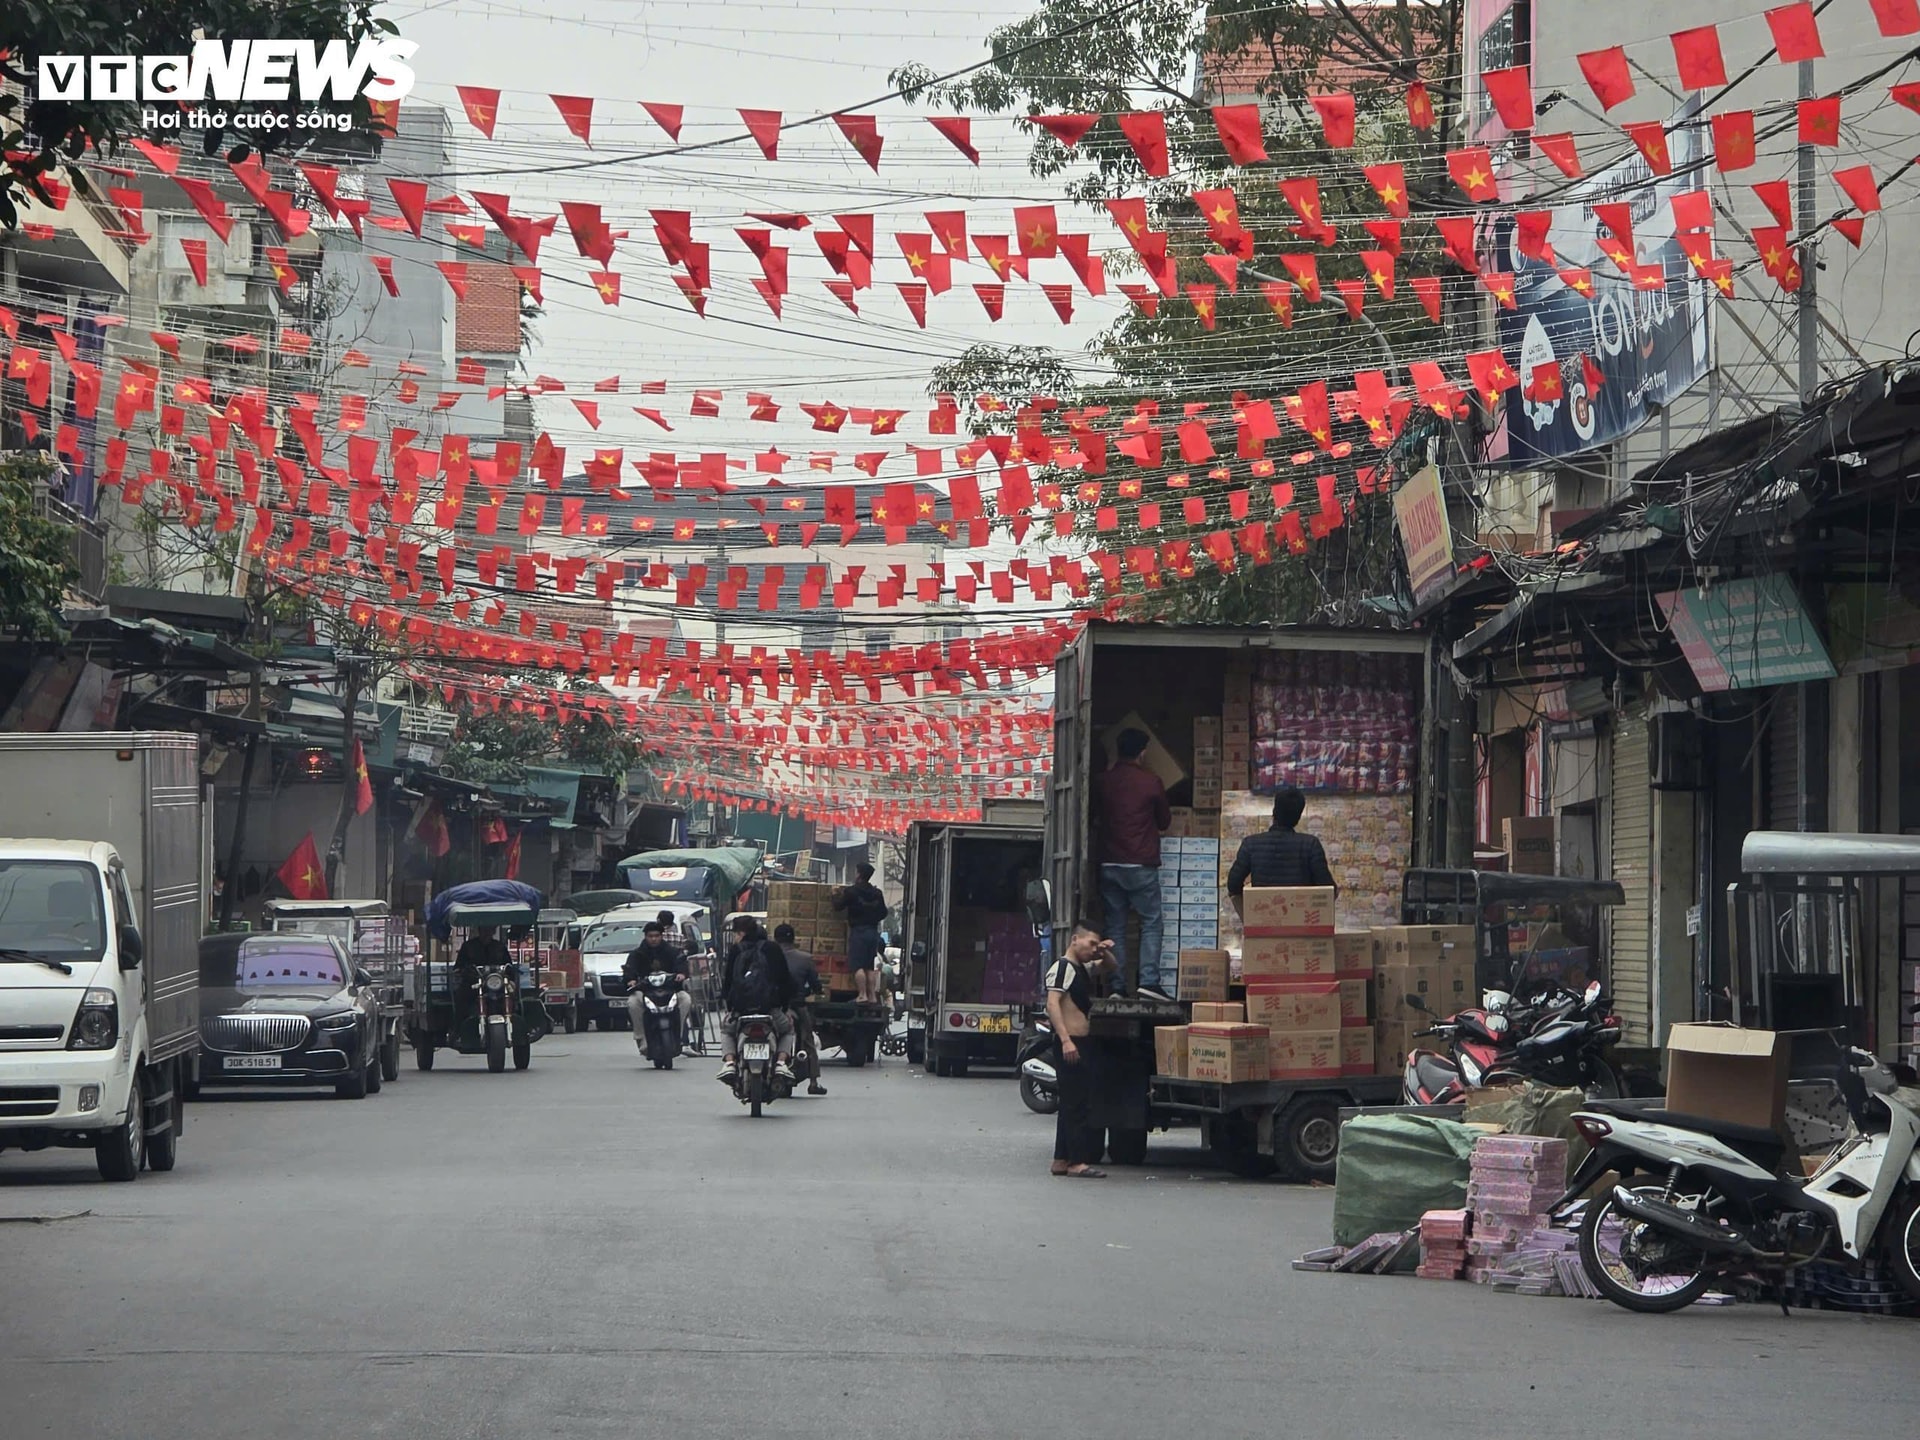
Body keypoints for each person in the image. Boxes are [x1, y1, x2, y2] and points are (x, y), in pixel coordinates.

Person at [1093, 728, 1171, 999]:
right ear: (1143, 753)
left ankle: (1116, 987)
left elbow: (1093, 817)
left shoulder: (1103, 782)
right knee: (1150, 923)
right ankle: (1148, 983)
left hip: (1109, 863)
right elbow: (1164, 822)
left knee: (1116, 925)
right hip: (1140, 864)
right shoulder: (1151, 782)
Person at [1045, 922, 1118, 1178]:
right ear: (1075, 939)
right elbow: (1052, 1004)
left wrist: (1104, 951)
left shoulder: (1081, 969)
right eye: (1090, 944)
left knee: (1071, 1103)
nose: (1092, 949)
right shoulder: (1062, 968)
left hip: (1080, 1043)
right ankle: (1077, 1162)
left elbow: (1111, 967)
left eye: (1095, 945)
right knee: (1077, 1105)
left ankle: (1061, 1159)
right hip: (1071, 1043)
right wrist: (1065, 1040)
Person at [1226, 786, 1337, 913]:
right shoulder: (1311, 844)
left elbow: (1233, 885)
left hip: (1262, 920)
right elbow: (1329, 890)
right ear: (1298, 816)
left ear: (1274, 812)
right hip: (1303, 922)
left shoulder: (1250, 844)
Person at [716, 914, 797, 1085]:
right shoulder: (773, 948)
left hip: (741, 1010)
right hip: (770, 1009)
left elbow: (729, 981)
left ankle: (730, 1062)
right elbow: (784, 981)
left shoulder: (736, 950)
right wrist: (784, 1007)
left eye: (735, 933)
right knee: (788, 1029)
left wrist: (730, 1008)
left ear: (741, 933)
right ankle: (782, 1062)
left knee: (726, 1030)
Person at [623, 920, 693, 1051]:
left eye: (656, 936)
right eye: (650, 936)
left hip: (671, 990)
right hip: (645, 991)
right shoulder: (637, 954)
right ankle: (641, 1037)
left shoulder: (673, 952)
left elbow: (681, 964)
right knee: (633, 1002)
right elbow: (629, 969)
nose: (653, 939)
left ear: (662, 936)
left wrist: (682, 974)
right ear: (645, 936)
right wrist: (631, 980)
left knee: (685, 999)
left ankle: (678, 1033)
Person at [774, 923, 827, 1096]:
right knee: (808, 1041)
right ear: (793, 939)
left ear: (775, 939)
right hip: (798, 1004)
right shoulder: (805, 958)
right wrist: (817, 990)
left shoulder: (768, 956)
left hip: (774, 1006)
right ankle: (813, 1082)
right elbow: (815, 984)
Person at [831, 863, 889, 1004]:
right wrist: (872, 918)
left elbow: (838, 906)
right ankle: (872, 996)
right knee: (869, 966)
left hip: (859, 931)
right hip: (873, 932)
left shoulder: (852, 892)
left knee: (857, 966)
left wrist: (834, 894)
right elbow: (884, 912)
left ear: (858, 874)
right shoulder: (877, 893)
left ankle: (862, 995)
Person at [454, 924, 511, 1001]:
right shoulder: (468, 946)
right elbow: (459, 966)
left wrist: (508, 972)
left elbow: (508, 965)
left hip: (496, 981)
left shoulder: (500, 947)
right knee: (462, 994)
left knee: (510, 991)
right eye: (484, 930)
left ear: (493, 931)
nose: (487, 933)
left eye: (489, 930)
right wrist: (467, 971)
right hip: (474, 982)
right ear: (479, 931)